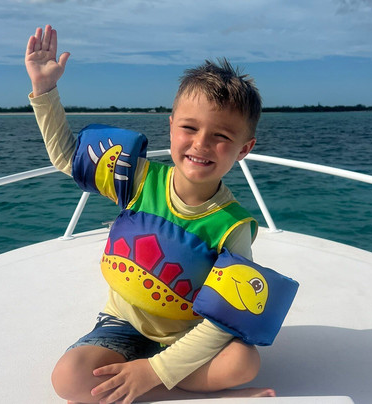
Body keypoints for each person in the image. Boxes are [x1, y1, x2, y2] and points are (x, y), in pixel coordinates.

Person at [25, 24, 276, 404]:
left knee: (243, 362)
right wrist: (44, 89)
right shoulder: (136, 178)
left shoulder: (232, 227)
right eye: (189, 127)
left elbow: (226, 318)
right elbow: (66, 158)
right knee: (68, 378)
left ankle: (149, 379)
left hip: (188, 335)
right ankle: (166, 382)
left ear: (244, 149)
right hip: (123, 324)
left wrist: (155, 370)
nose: (201, 144)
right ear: (171, 127)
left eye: (222, 136)